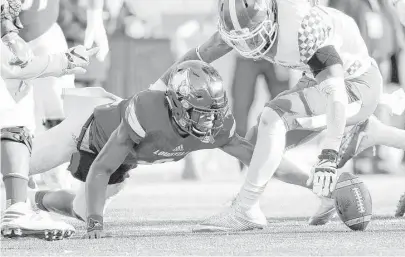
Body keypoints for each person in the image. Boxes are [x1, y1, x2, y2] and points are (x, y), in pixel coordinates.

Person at [150, 0, 405, 231]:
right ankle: (330, 187)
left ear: (271, 16)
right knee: (254, 147)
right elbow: (201, 53)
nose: (248, 46)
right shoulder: (245, 20)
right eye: (240, 39)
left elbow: (336, 94)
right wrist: (156, 90)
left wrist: (329, 154)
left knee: (274, 116)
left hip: (354, 85)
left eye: (252, 37)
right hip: (319, 79)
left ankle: (245, 209)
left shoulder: (305, 27)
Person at [26, 60, 342, 239]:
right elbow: (102, 167)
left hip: (123, 160)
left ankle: (34, 200)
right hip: (87, 129)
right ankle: (19, 197)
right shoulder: (147, 111)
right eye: (200, 112)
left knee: (81, 209)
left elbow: (262, 161)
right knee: (18, 166)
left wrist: (312, 182)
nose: (209, 122)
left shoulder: (214, 128)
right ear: (176, 104)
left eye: (214, 112)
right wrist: (97, 223)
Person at [17, 0, 108, 189]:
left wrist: (95, 14)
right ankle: (18, 176)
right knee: (14, 110)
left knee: (55, 102)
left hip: (41, 30)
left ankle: (55, 172)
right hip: (12, 36)